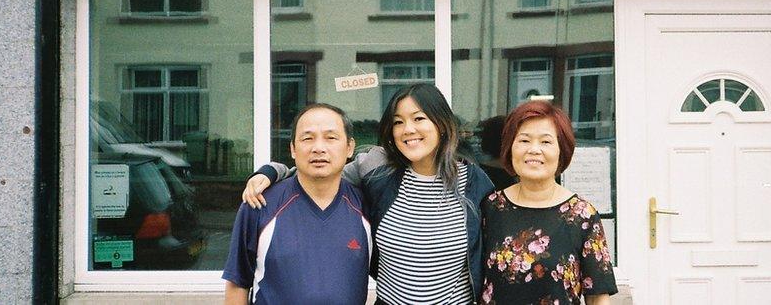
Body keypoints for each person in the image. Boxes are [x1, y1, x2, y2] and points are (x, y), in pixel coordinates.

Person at [242, 83, 495, 304]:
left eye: (419, 119)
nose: (407, 129)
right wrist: (270, 171)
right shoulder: (377, 170)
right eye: (398, 122)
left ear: (441, 125)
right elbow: (316, 170)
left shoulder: (475, 183)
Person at [222, 103, 370, 305]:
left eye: (331, 138)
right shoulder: (259, 203)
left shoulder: (367, 207)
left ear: (349, 147)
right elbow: (237, 283)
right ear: (292, 148)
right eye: (307, 138)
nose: (319, 148)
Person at [480, 100, 617, 304]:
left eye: (545, 142)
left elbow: (597, 296)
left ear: (562, 150)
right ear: (510, 148)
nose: (534, 150)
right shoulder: (491, 207)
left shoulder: (582, 215)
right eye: (524, 140)